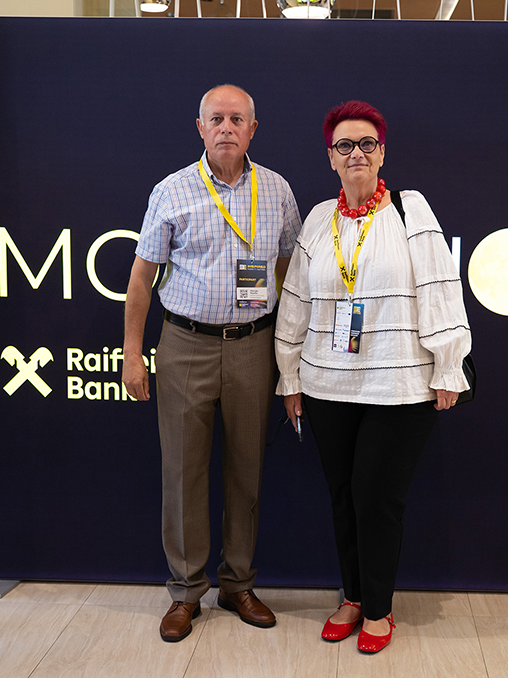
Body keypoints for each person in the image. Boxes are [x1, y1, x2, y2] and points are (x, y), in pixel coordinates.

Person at [275, 100, 471, 653]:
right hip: (325, 384)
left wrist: (448, 364)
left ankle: (379, 609)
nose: (356, 153)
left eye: (366, 144)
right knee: (343, 495)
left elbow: (439, 286)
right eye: (345, 145)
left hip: (399, 386)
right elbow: (296, 300)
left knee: (376, 497)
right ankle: (354, 597)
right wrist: (289, 376)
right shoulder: (319, 218)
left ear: (382, 153)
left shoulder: (411, 210)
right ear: (331, 157)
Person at [123, 84, 302, 642]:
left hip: (253, 344)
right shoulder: (171, 190)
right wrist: (133, 354)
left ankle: (238, 583)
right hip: (186, 344)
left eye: (237, 119)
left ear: (253, 129)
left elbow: (289, 270)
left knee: (247, 467)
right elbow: (141, 278)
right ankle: (185, 592)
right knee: (183, 471)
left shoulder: (277, 190)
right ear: (199, 128)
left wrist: (290, 348)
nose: (226, 127)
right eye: (216, 119)